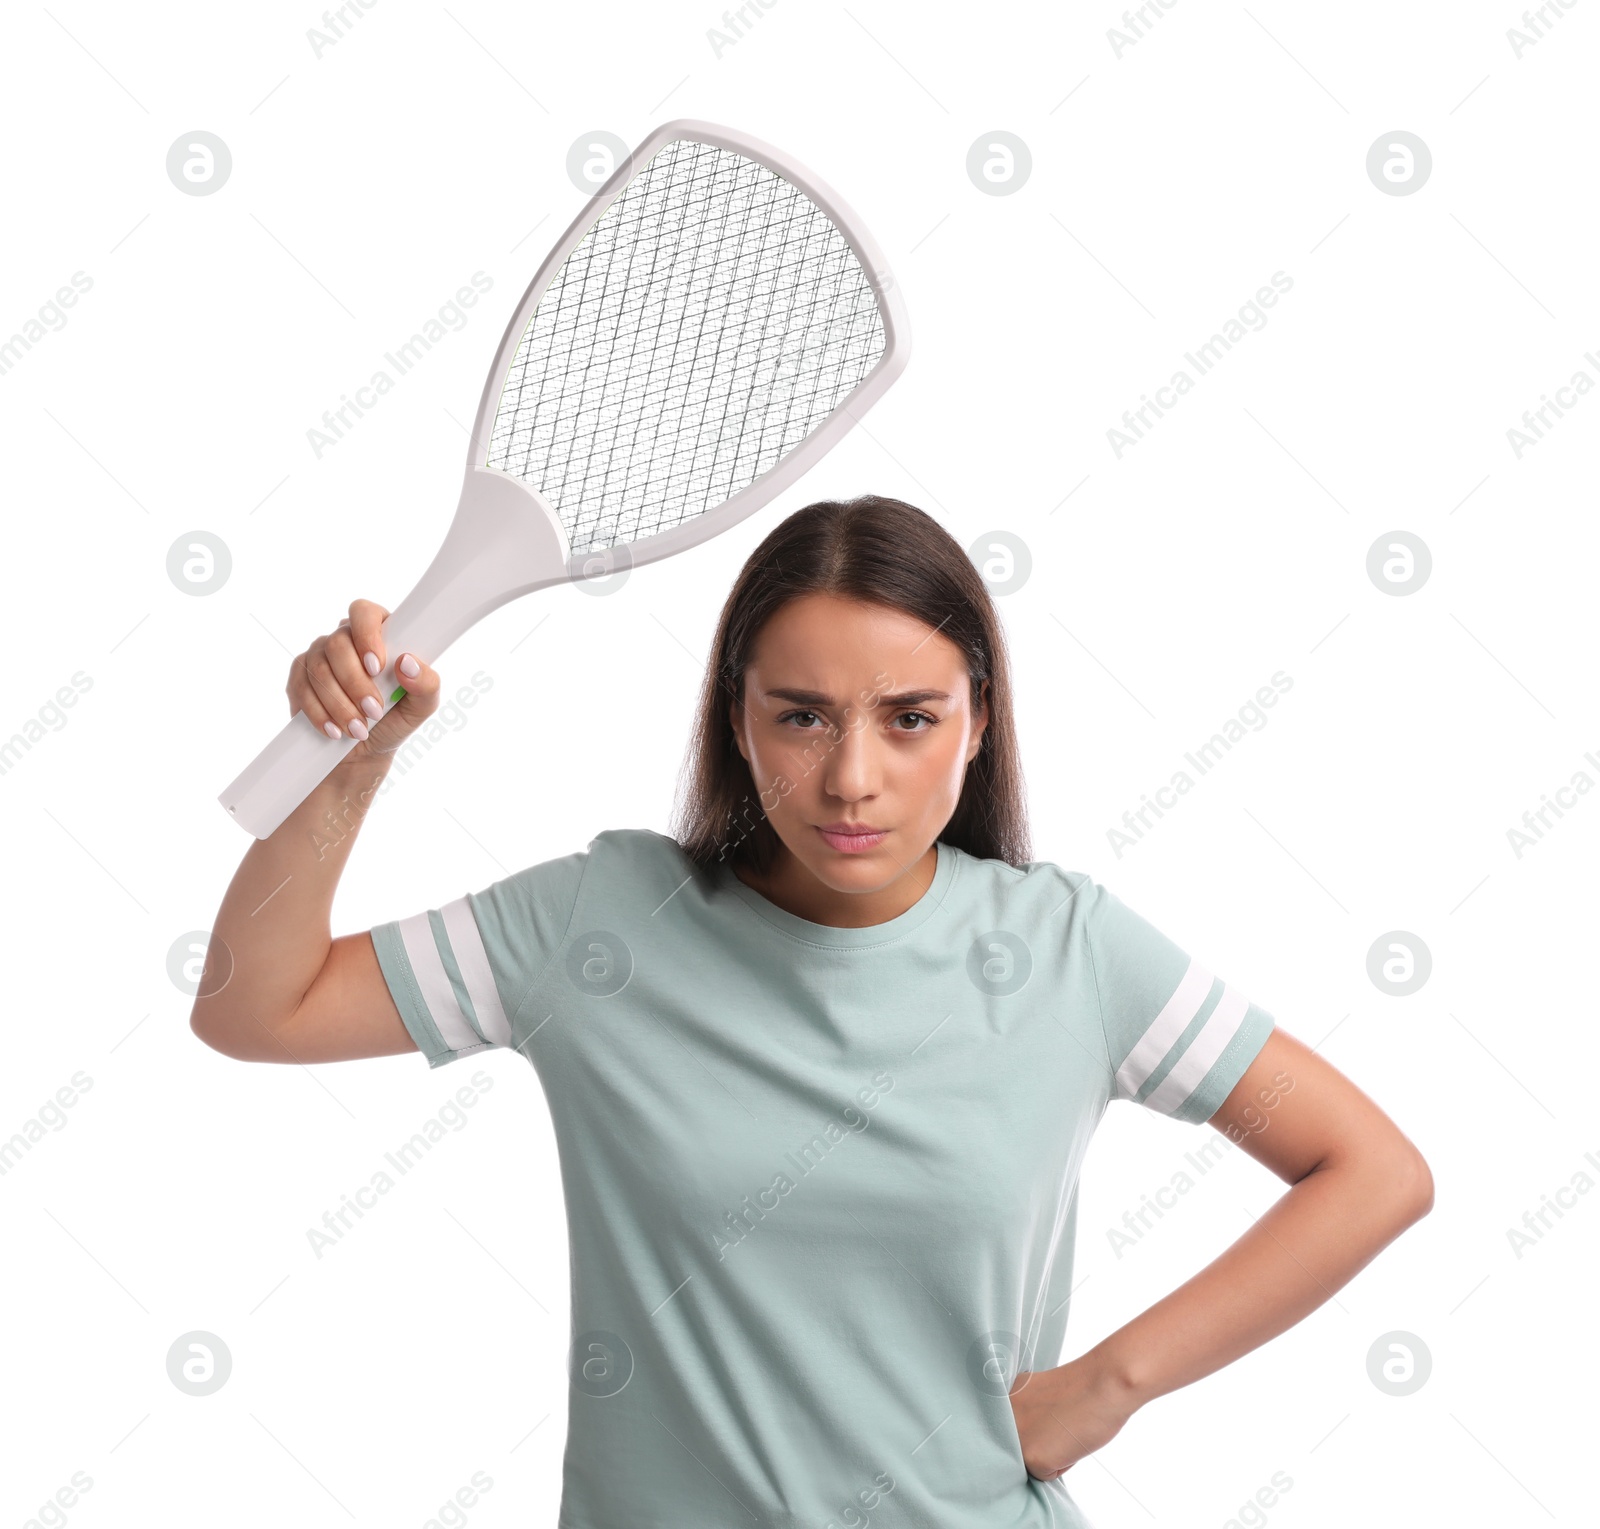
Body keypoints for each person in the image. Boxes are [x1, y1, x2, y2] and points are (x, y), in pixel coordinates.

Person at [191, 493, 1433, 1528]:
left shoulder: (1069, 951)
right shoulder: (600, 927)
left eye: (909, 719)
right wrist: (348, 761)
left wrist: (1110, 1383)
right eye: (801, 714)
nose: (851, 776)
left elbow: (1369, 1166)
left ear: (977, 720)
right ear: (736, 714)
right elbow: (258, 1008)